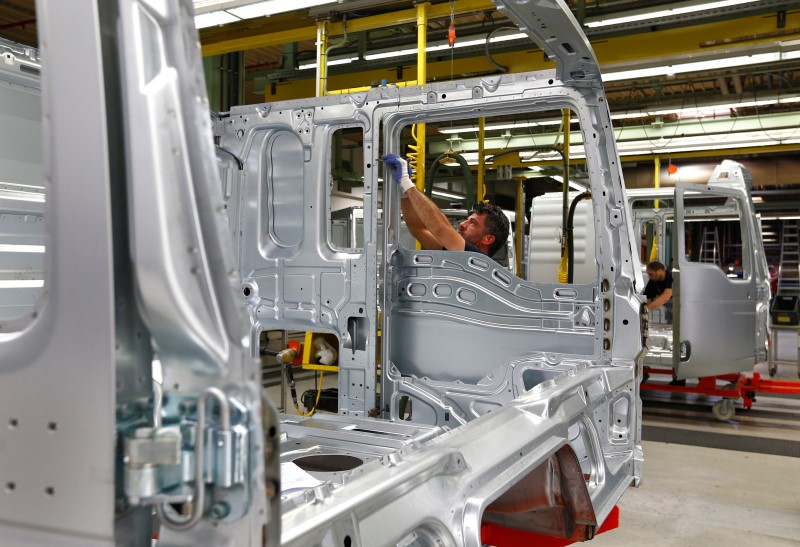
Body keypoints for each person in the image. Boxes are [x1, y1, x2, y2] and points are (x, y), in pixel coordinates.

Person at [383, 154, 509, 256]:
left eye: (473, 223)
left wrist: (406, 181)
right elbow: (418, 228)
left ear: (487, 239)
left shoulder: (478, 260)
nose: (462, 224)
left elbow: (441, 229)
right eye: (467, 220)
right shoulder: (454, 253)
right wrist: (404, 192)